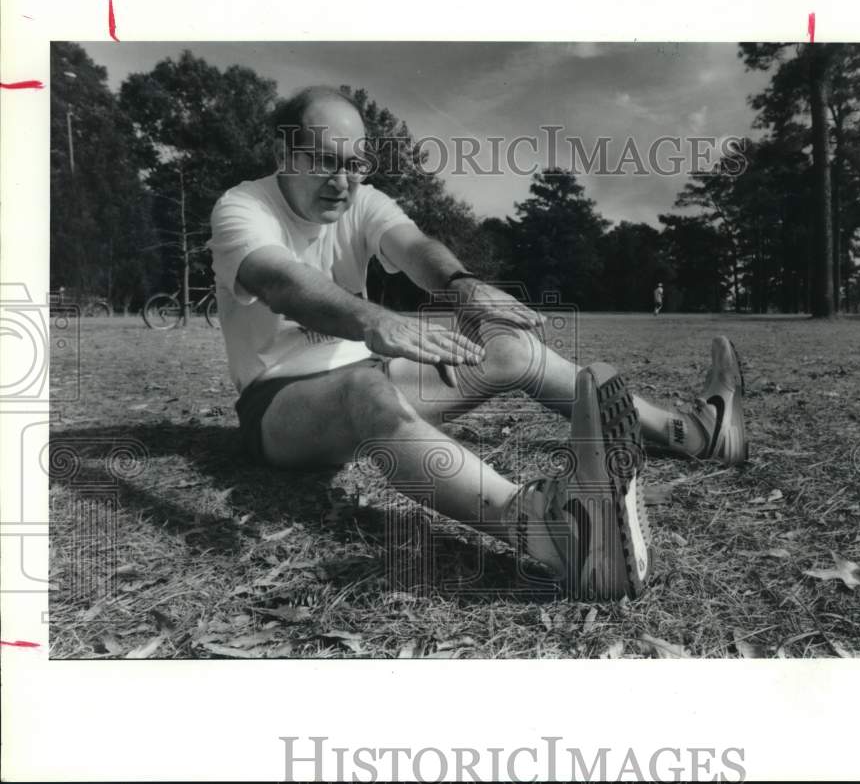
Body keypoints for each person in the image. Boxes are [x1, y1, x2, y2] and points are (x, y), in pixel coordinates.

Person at [208, 86, 748, 601]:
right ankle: (559, 536)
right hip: (279, 407)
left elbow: (416, 247)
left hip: (370, 370)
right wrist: (373, 318)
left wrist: (460, 286)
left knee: (510, 348)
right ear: (284, 152)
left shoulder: (362, 202)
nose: (343, 181)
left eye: (355, 163)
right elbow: (281, 282)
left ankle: (693, 433)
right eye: (325, 160)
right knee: (363, 392)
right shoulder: (243, 208)